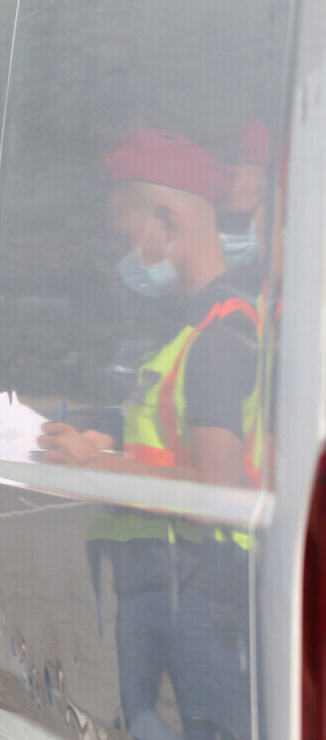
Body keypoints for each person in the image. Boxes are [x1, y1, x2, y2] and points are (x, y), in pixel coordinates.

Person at [40, 129, 258, 739]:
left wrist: (99, 468)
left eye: (124, 235)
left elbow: (220, 488)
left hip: (198, 587)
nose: (120, 254)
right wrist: (100, 447)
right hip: (163, 582)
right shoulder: (189, 329)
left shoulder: (218, 337)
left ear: (166, 220)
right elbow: (168, 444)